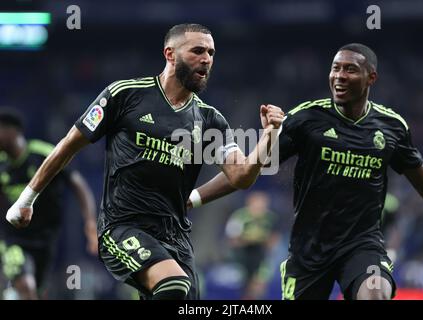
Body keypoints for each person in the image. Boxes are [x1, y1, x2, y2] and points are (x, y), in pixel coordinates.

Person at [5, 23, 284, 300]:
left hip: (176, 237)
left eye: (211, 53)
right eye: (198, 51)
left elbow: (241, 176)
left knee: (183, 297)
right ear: (170, 54)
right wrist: (27, 199)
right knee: (173, 285)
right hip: (122, 227)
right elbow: (68, 145)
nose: (207, 59)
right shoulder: (125, 95)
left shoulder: (210, 119)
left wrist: (270, 134)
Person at [187, 43, 423, 300]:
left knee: (375, 293)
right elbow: (247, 171)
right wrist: (193, 198)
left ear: (371, 77)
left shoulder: (391, 126)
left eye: (350, 69)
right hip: (308, 250)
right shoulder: (306, 119)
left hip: (362, 245)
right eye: (335, 68)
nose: (339, 76)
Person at [0, 109, 98, 300]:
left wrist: (89, 222)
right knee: (26, 286)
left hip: (46, 238)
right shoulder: (1, 164)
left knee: (35, 292)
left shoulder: (43, 153)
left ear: (12, 131)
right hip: (14, 239)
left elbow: (78, 185)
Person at [224, 191, 279, 299]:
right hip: (242, 256)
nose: (260, 206)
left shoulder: (271, 218)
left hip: (262, 256)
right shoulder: (239, 216)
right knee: (244, 287)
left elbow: (273, 241)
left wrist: (259, 240)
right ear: (250, 203)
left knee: (259, 285)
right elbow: (233, 240)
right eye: (257, 203)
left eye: (263, 203)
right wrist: (252, 239)